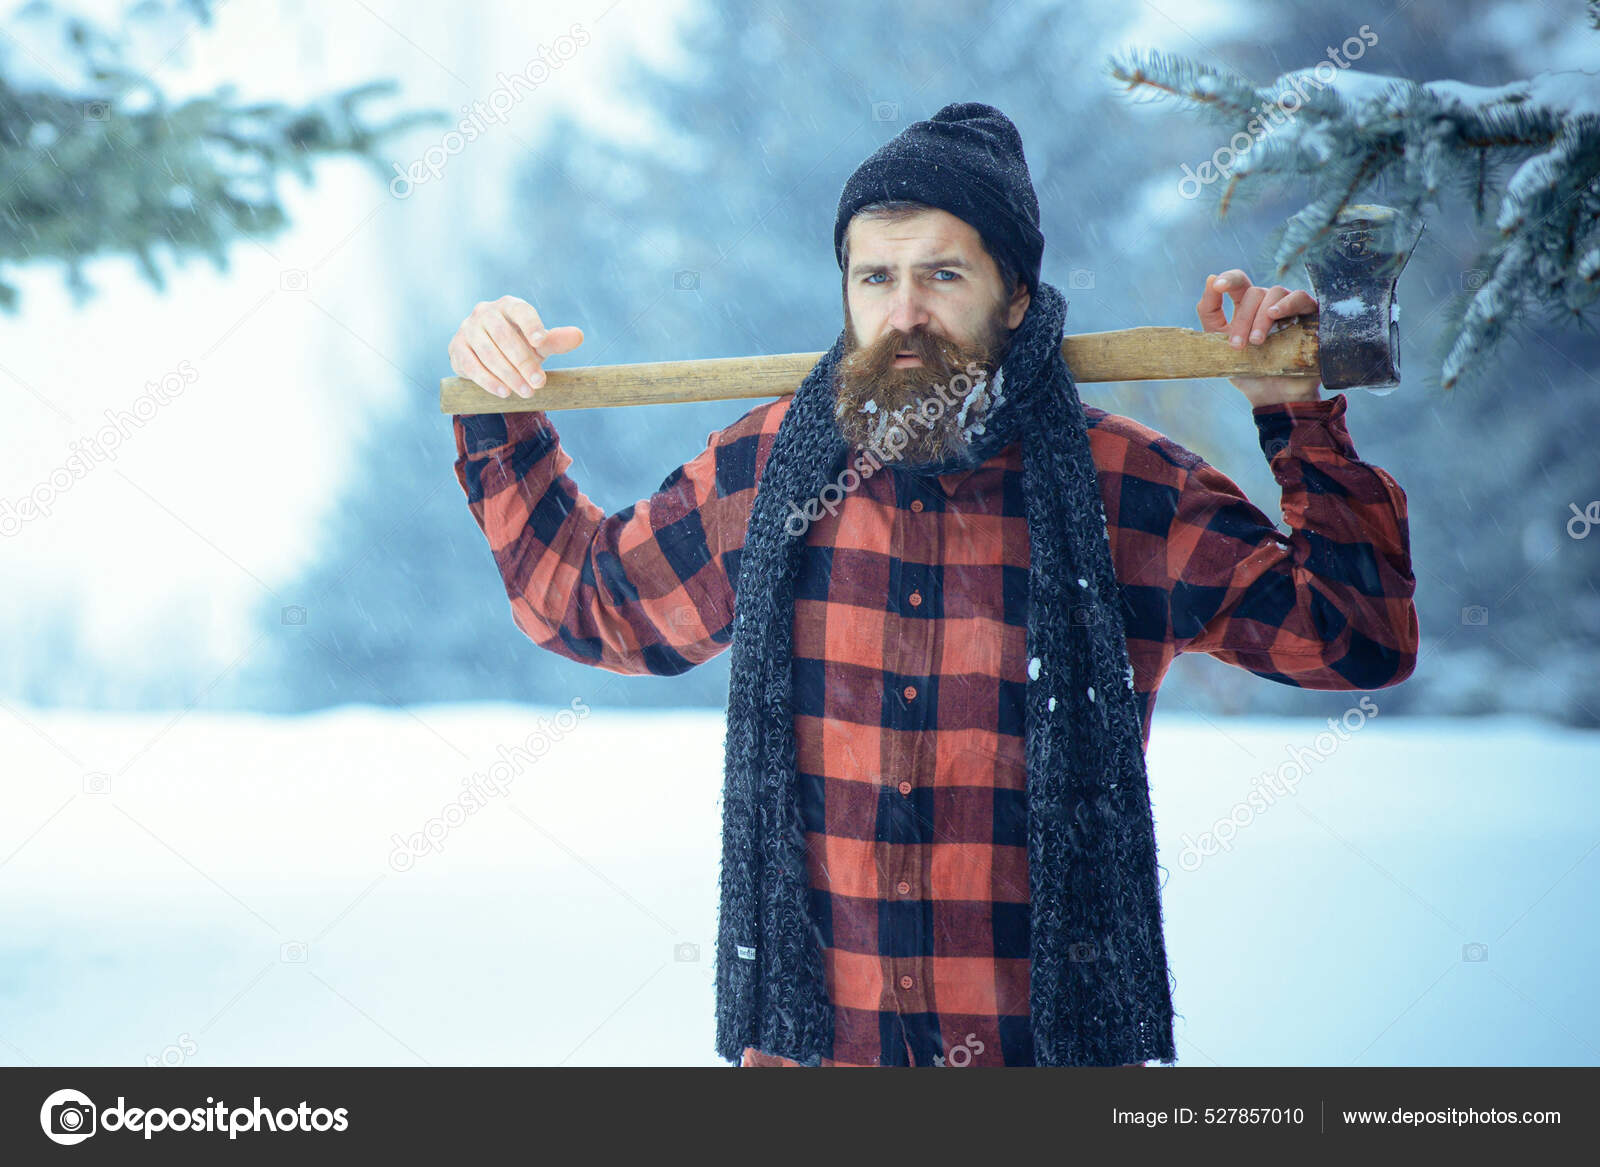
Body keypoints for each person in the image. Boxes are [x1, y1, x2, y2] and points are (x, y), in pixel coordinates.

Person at [447, 103, 1419, 1068]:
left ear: (1017, 298)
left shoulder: (1124, 491)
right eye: (875, 277)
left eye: (941, 275)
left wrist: (1296, 416)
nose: (903, 313)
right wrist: (502, 411)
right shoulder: (768, 474)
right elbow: (583, 601)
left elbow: (1353, 635)